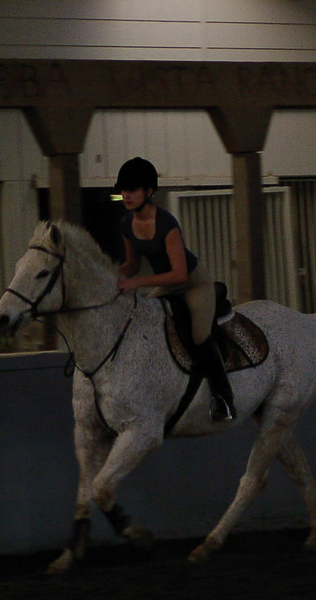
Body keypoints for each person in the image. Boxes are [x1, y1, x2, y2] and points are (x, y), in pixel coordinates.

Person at [114, 157, 235, 421]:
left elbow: (179, 274)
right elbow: (133, 264)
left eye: (132, 190)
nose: (126, 195)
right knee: (141, 318)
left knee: (200, 335)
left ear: (148, 191)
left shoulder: (166, 224)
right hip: (166, 285)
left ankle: (224, 399)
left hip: (193, 284)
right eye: (123, 190)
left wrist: (136, 283)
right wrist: (112, 278)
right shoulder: (126, 224)